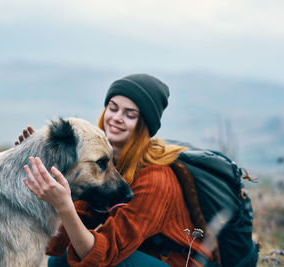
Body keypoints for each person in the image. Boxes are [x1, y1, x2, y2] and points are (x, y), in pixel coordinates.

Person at [22, 74, 213, 267]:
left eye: (130, 114)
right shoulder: (102, 164)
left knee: (112, 261)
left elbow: (103, 256)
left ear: (144, 125)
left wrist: (64, 205)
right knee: (60, 260)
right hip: (140, 257)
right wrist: (42, 166)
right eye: (112, 108)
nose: (116, 118)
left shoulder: (156, 180)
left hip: (178, 263)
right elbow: (54, 244)